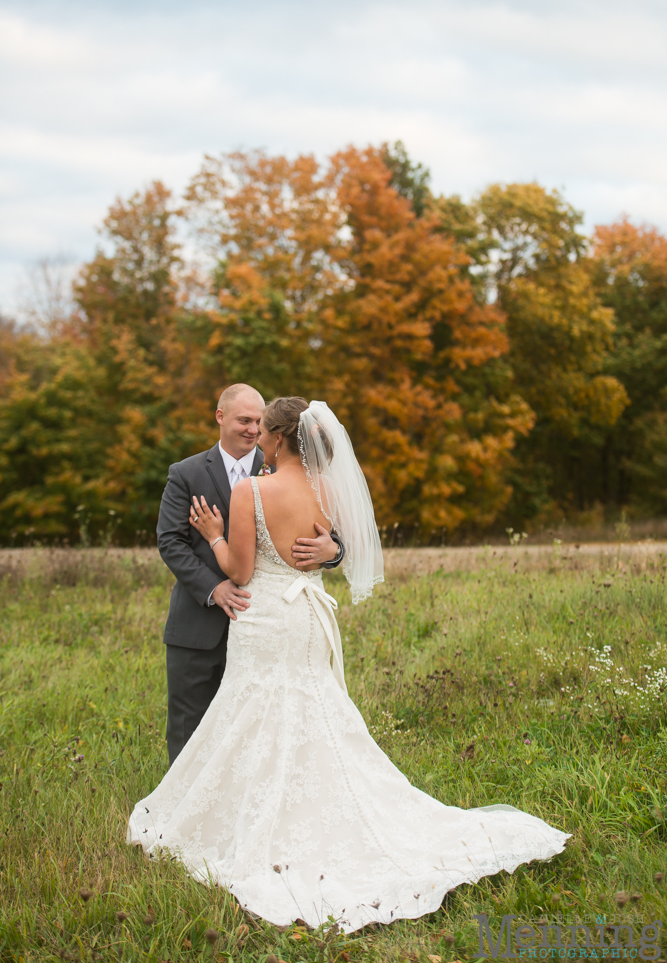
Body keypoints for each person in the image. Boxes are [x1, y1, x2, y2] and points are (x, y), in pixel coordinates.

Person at [130, 397, 570, 933]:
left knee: (255, 709)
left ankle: (252, 825)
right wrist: (330, 554)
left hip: (266, 617)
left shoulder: (251, 490)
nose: (257, 434)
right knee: (313, 709)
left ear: (276, 435)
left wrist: (215, 535)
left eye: (262, 428)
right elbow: (335, 544)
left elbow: (241, 570)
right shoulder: (329, 488)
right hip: (309, 616)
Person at [156, 384, 344, 765]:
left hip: (267, 627)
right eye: (244, 420)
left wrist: (334, 551)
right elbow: (170, 540)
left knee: (259, 732)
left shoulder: (287, 464)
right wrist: (214, 588)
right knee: (190, 725)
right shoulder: (187, 473)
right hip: (199, 623)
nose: (253, 430)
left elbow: (331, 536)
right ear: (220, 417)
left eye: (259, 422)